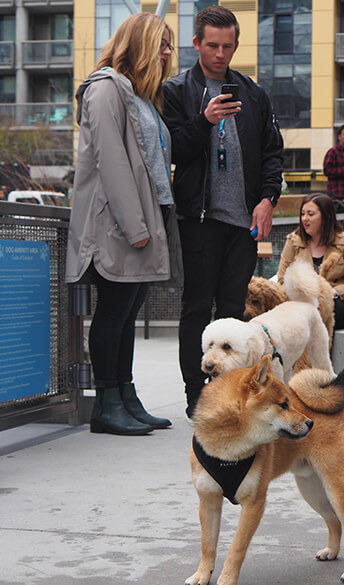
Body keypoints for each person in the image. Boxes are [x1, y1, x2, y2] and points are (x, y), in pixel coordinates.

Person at [162, 5, 284, 418]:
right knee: (196, 307)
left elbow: (272, 153)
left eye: (227, 46)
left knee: (234, 311)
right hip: (197, 221)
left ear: (236, 45)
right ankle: (195, 395)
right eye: (212, 45)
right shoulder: (176, 91)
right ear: (196, 43)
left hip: (243, 224)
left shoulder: (253, 93)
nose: (220, 53)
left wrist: (268, 199)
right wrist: (204, 120)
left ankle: (229, 392)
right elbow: (172, 149)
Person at [66, 13, 177, 435]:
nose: (168, 52)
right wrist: (135, 227)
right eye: (162, 44)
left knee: (127, 314)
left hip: (143, 221)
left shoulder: (141, 95)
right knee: (112, 314)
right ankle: (106, 404)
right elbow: (112, 164)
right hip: (115, 228)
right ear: (141, 43)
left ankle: (126, 397)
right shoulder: (105, 88)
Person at [276, 193, 344, 329]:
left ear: (326, 216)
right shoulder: (293, 242)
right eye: (302, 214)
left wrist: (334, 292)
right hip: (303, 303)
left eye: (311, 214)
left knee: (327, 309)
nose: (305, 219)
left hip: (335, 304)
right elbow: (282, 281)